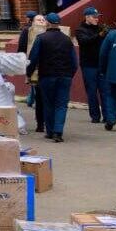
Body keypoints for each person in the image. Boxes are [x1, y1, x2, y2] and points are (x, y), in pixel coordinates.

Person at [27, 13, 77, 143]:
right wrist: (70, 74)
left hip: (47, 76)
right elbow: (74, 61)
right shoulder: (67, 39)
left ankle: (50, 131)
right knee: (61, 105)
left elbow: (33, 58)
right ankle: (58, 131)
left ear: (48, 23)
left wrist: (29, 72)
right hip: (65, 76)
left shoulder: (41, 38)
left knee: (48, 103)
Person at [74, 7, 109, 124]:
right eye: (94, 17)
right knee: (91, 91)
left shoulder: (100, 28)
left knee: (104, 90)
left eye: (97, 17)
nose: (97, 19)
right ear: (87, 17)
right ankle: (95, 116)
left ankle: (107, 115)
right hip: (88, 65)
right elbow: (85, 41)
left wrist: (107, 34)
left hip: (101, 64)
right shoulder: (80, 30)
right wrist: (99, 35)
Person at [25, 14, 49, 132]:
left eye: (43, 20)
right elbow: (23, 49)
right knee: (39, 98)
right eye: (38, 20)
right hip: (36, 72)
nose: (41, 22)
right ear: (33, 22)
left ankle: (45, 122)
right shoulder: (28, 33)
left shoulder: (48, 35)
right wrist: (27, 72)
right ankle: (40, 123)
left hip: (46, 72)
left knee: (44, 98)